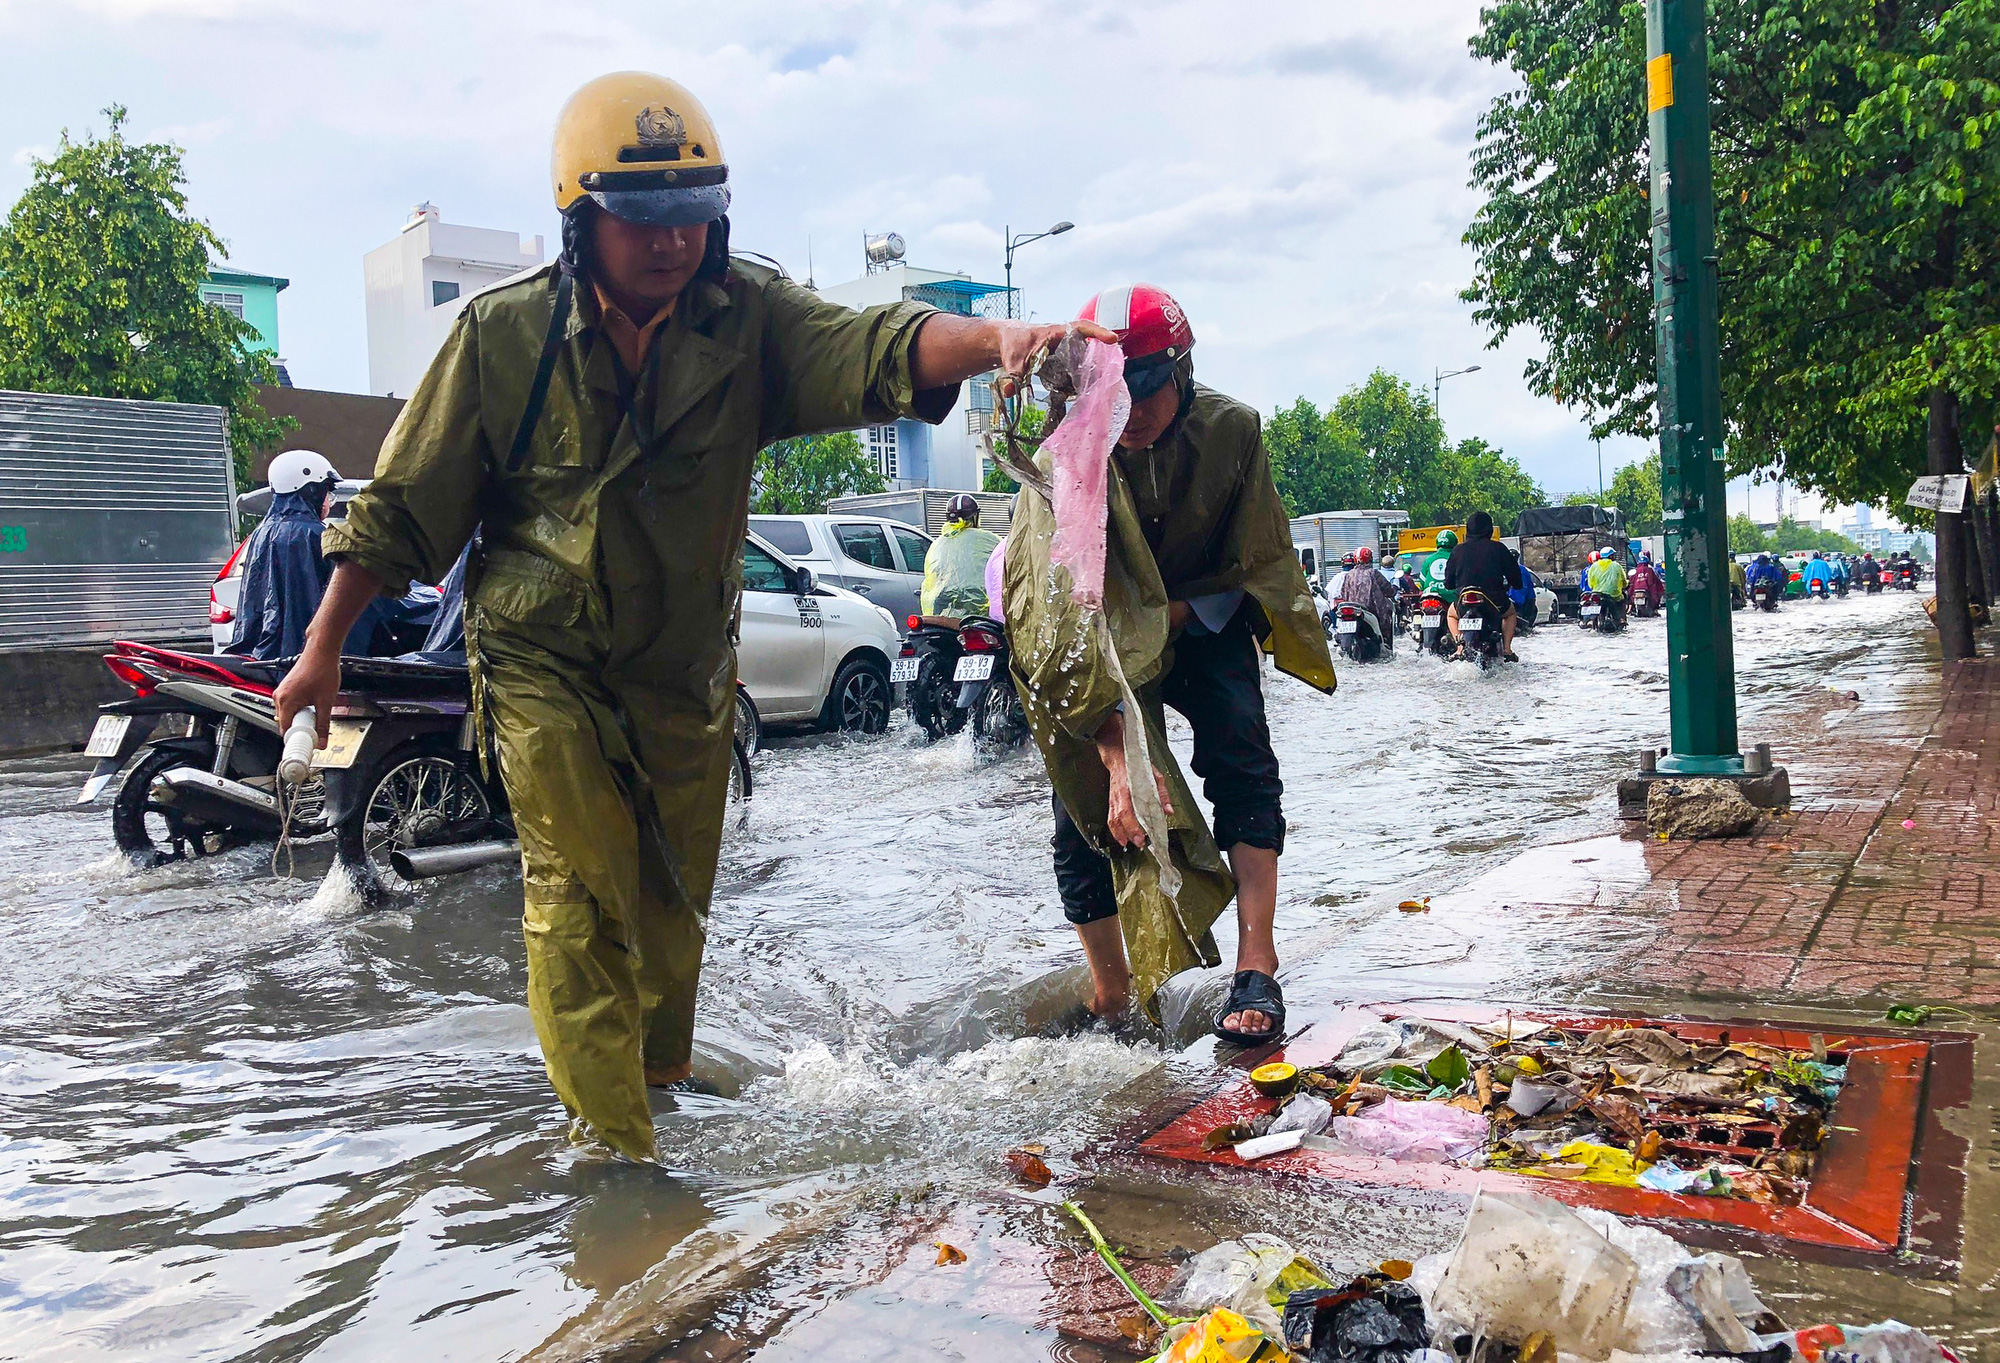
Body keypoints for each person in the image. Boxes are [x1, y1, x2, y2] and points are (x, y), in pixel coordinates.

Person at [272, 72, 1104, 1163]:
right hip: (542, 661)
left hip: (682, 670)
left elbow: (874, 346)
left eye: (692, 216)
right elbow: (400, 510)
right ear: (582, 221)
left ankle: (653, 1077)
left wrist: (996, 339)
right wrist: (323, 646)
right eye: (644, 219)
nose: (671, 243)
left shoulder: (748, 321)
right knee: (577, 899)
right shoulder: (501, 338)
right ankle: (618, 1167)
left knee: (671, 914)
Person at [1002, 284, 1335, 1047]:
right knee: (1083, 811)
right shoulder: (1069, 451)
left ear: (1182, 372)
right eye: (1115, 394)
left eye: (1147, 389)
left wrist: (1171, 616)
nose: (1134, 412)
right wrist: (1118, 756)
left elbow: (1261, 564)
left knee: (1243, 756)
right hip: (1101, 642)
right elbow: (1053, 618)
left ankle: (1258, 960)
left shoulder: (1235, 432)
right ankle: (1112, 993)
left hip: (1201, 618)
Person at [227, 449, 438, 660]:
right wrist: (431, 603)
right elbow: (366, 590)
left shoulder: (261, 534)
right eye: (327, 493)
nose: (329, 501)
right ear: (311, 491)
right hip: (320, 661)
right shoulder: (315, 535)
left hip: (267, 660)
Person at [1444, 512, 1524, 659]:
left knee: (1451, 614)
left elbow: (1448, 583)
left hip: (1464, 601)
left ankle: (1460, 648)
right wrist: (1515, 584)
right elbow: (1516, 580)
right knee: (1511, 613)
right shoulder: (1499, 548)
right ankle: (1507, 649)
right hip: (1494, 601)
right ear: (1490, 530)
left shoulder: (1458, 550)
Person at [920, 493, 1002, 616]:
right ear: (975, 517)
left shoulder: (936, 545)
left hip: (941, 614)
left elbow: (932, 579)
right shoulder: (990, 540)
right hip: (980, 615)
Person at [1333, 544, 1398, 651]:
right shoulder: (1374, 573)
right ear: (1370, 559)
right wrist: (1394, 590)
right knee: (1387, 618)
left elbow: (1343, 593)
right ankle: (1386, 645)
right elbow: (1388, 590)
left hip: (1352, 609)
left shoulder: (1349, 574)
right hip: (1371, 610)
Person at [1584, 548, 1630, 627]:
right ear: (1611, 556)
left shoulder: (1594, 566)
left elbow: (1590, 582)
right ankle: (1621, 619)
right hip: (1613, 595)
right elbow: (1623, 580)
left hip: (1597, 594)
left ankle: (1591, 620)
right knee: (1622, 601)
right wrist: (1626, 584)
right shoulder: (1616, 565)